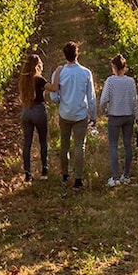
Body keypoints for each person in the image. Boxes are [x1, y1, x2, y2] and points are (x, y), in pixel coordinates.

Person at [48, 41, 97, 190]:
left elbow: (54, 97)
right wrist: (93, 115)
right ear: (77, 54)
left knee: (64, 144)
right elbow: (91, 98)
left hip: (65, 113)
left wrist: (62, 101)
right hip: (80, 114)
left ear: (65, 55)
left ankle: (64, 175)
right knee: (79, 146)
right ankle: (78, 180)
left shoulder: (59, 73)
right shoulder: (86, 73)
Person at [99, 53, 138, 187]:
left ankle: (115, 177)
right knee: (128, 145)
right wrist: (137, 117)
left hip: (114, 116)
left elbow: (104, 99)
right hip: (128, 116)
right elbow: (135, 101)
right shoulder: (130, 81)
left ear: (114, 67)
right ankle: (126, 175)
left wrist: (104, 111)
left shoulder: (110, 81)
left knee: (113, 146)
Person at [18, 53, 49, 182]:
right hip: (38, 111)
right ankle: (44, 170)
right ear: (37, 66)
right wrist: (57, 75)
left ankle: (27, 173)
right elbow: (52, 88)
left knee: (27, 143)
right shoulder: (39, 79)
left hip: (26, 111)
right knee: (43, 141)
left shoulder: (23, 80)